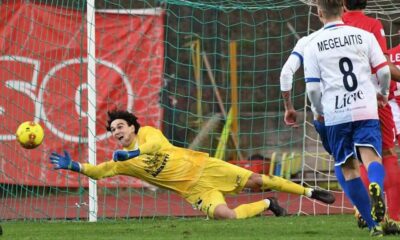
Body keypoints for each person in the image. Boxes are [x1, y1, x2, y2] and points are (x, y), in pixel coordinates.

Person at [49, 109, 335, 220]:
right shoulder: (121, 162)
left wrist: (131, 156)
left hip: (205, 167)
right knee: (228, 217)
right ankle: (268, 205)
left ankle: (309, 193)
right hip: (193, 190)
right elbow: (99, 172)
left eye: (120, 126)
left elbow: (154, 147)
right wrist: (74, 165)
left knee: (257, 181)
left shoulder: (147, 133)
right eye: (113, 130)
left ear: (133, 126)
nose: (117, 132)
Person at [304, 0, 390, 236]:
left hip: (336, 113)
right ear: (343, 10)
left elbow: (312, 89)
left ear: (319, 13)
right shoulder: (364, 35)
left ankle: (374, 226)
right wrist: (382, 94)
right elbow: (383, 71)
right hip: (365, 107)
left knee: (349, 169)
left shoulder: (313, 44)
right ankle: (376, 185)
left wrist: (319, 109)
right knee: (372, 158)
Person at [343, 0, 400, 224]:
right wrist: (384, 91)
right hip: (376, 98)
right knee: (386, 154)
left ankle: (363, 211)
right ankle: (394, 217)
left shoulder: (334, 27)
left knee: (354, 159)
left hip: (344, 103)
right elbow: (383, 67)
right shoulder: (372, 25)